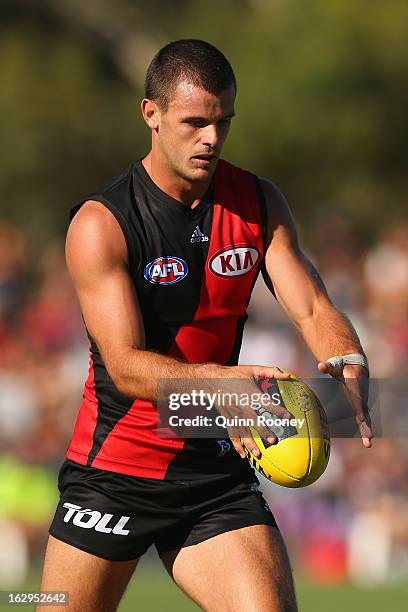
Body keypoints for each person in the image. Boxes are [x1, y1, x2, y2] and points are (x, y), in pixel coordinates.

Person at [38, 39, 372, 612]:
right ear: (151, 114)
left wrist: (347, 354)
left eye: (223, 123)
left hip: (212, 471)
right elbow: (125, 366)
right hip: (116, 471)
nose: (211, 139)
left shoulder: (257, 202)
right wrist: (227, 385)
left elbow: (313, 307)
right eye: (195, 123)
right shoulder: (102, 223)